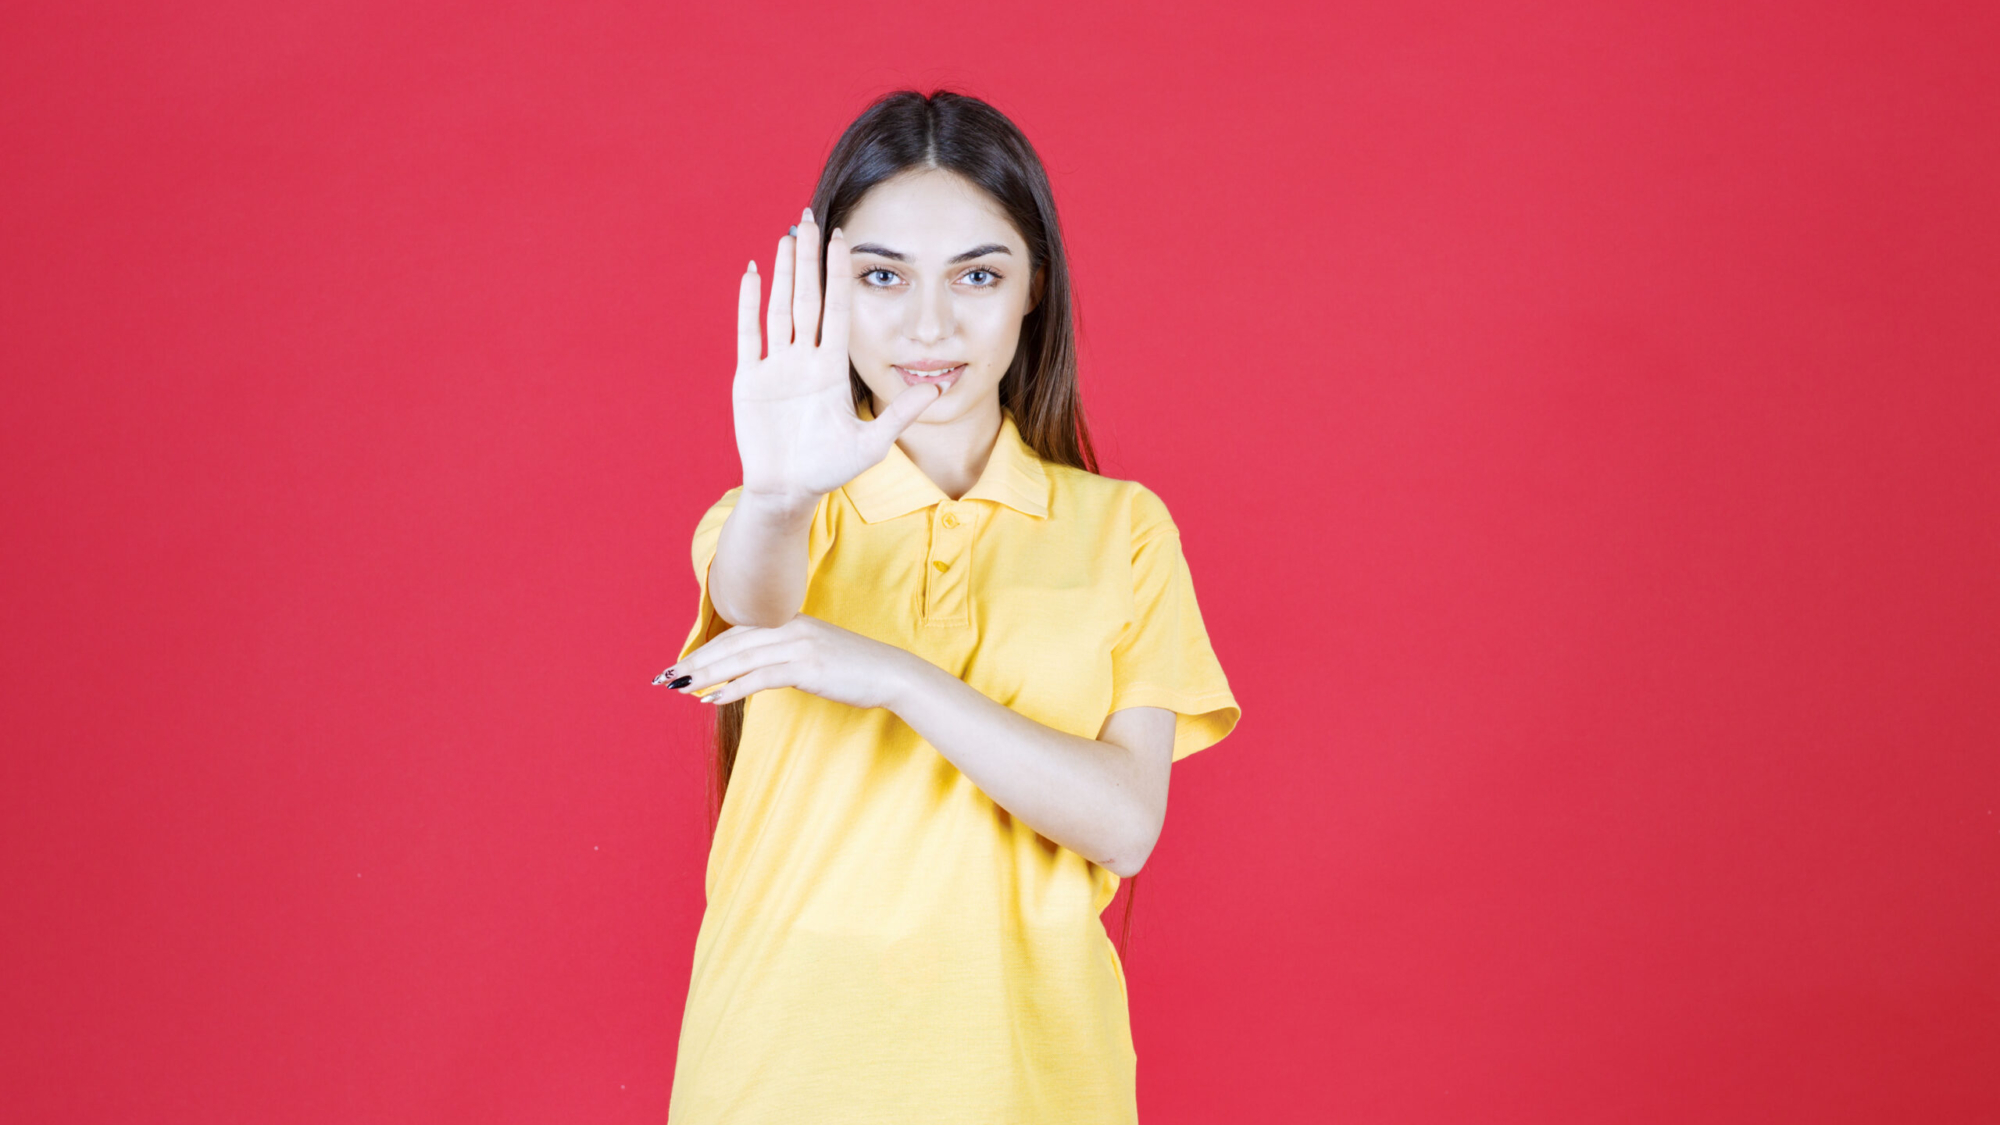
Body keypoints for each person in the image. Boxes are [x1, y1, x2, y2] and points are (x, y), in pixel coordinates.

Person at [653, 88, 1241, 1124]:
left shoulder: (1123, 531)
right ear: (829, 296)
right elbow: (756, 605)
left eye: (977, 274)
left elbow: (1123, 823)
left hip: (1029, 1076)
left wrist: (890, 676)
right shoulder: (777, 517)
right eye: (882, 277)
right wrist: (782, 496)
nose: (930, 324)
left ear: (1033, 291)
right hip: (776, 1066)